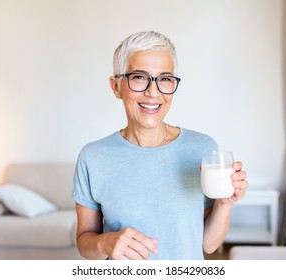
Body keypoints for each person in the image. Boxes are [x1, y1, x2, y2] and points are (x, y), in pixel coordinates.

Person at [72, 31, 248, 260]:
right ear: (116, 86)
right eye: (139, 77)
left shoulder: (202, 149)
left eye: (164, 79)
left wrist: (225, 204)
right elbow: (84, 241)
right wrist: (105, 243)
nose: (153, 92)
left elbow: (208, 244)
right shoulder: (92, 157)